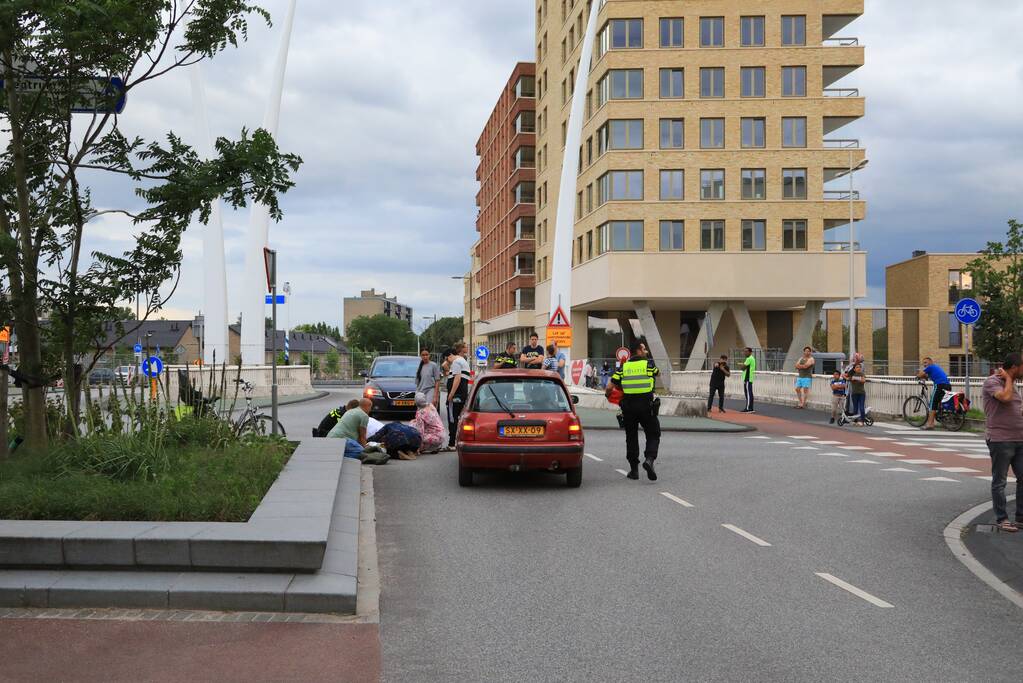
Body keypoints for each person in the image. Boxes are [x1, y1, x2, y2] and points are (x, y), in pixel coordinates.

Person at [606, 341, 660, 481]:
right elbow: (658, 374)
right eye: (644, 349)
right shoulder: (648, 365)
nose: (646, 351)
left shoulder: (624, 368)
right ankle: (649, 460)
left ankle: (634, 471)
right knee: (653, 433)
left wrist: (607, 395)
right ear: (639, 351)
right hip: (647, 406)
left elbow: (610, 385)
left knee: (631, 437)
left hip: (629, 407)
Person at [981, 353, 1023, 532]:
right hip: (1000, 440)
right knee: (1000, 481)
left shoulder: (1011, 384)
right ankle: (1002, 518)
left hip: (1019, 439)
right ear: (1014, 367)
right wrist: (1007, 380)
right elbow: (1005, 398)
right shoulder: (993, 382)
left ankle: (1020, 517)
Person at [446, 342, 471, 448]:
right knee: (459, 417)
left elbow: (457, 378)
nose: (446, 361)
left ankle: (451, 443)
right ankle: (458, 441)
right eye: (466, 347)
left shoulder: (456, 362)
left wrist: (451, 394)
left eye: (446, 358)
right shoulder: (463, 361)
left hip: (456, 394)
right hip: (462, 394)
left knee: (452, 418)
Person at [917, 357, 952, 430]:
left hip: (939, 385)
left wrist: (917, 376)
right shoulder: (935, 367)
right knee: (940, 402)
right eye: (923, 363)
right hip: (948, 386)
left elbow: (920, 374)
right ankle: (940, 416)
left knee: (932, 404)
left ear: (931, 362)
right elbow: (926, 376)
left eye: (926, 362)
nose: (924, 365)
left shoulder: (930, 367)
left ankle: (930, 424)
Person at [740, 347, 756, 413]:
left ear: (750, 352)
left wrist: (742, 365)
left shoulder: (749, 359)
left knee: (748, 394)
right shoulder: (751, 358)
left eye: (746, 351)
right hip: (749, 378)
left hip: (748, 378)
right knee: (749, 393)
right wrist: (743, 365)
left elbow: (743, 368)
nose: (745, 353)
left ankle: (749, 408)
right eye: (744, 351)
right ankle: (750, 407)